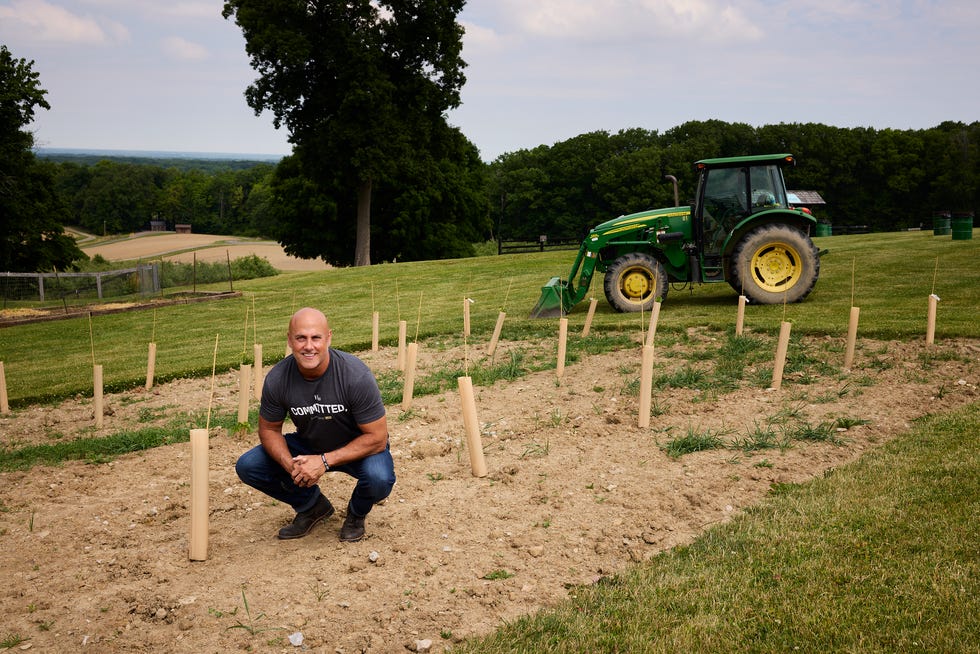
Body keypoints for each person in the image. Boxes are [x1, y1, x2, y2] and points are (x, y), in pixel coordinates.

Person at [236, 307, 395, 542]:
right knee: (249, 465)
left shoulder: (355, 375)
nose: (308, 346)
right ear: (290, 340)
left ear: (328, 337)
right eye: (301, 338)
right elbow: (269, 429)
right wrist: (290, 465)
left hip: (356, 447)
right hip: (309, 444)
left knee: (379, 478)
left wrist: (323, 461)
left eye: (315, 338)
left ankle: (356, 514)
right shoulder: (278, 379)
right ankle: (311, 506)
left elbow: (378, 438)